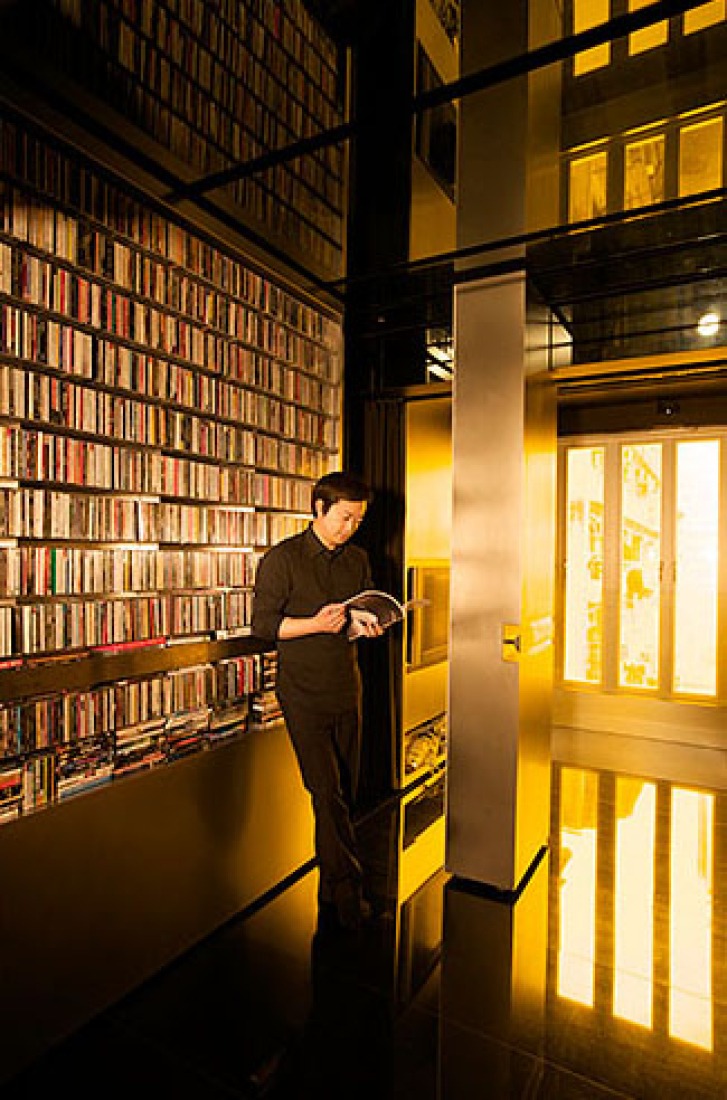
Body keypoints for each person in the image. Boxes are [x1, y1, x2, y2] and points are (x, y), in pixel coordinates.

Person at [251, 471, 383, 931]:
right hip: (302, 694)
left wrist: (362, 625)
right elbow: (264, 627)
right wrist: (313, 624)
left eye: (358, 520)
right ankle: (348, 897)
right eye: (345, 518)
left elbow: (355, 618)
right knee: (326, 794)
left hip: (347, 687)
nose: (351, 528)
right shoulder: (281, 560)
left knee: (343, 792)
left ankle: (330, 890)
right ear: (319, 509)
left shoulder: (358, 560)